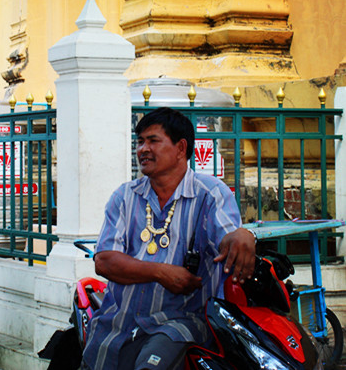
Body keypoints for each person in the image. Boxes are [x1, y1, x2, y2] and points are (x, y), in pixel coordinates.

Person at [82, 107, 256, 370]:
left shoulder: (210, 194)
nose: (142, 149)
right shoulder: (125, 196)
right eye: (140, 141)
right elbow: (104, 262)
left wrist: (243, 235)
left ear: (180, 148)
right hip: (118, 322)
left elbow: (228, 237)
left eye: (153, 140)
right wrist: (161, 272)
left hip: (181, 321)